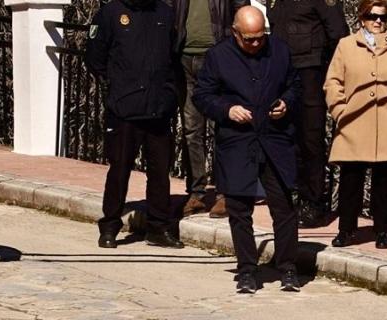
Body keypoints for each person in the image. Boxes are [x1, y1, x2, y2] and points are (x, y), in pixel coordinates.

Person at [194, 5, 303, 294]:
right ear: (236, 33)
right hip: (238, 142)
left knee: (284, 207)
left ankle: (288, 267)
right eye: (249, 39)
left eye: (260, 37)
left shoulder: (279, 50)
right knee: (239, 211)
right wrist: (227, 110)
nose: (256, 44)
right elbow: (202, 96)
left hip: (274, 139)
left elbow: (294, 85)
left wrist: (286, 104)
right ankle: (247, 270)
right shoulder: (218, 57)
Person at [87, 0, 185, 249]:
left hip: (158, 107)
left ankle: (158, 227)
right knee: (119, 170)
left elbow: (174, 57)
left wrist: (169, 94)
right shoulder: (111, 13)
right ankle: (110, 225)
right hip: (124, 108)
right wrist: (115, 85)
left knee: (160, 172)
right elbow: (95, 56)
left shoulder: (165, 13)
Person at [322, 0, 387, 250]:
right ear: (362, 18)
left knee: (384, 181)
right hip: (353, 123)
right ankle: (346, 229)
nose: (378, 22)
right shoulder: (346, 46)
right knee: (350, 181)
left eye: (383, 17)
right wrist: (340, 111)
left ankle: (383, 230)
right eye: (372, 16)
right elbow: (333, 83)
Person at [269, 0, 347, 228]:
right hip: (281, 71)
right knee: (284, 139)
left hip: (310, 72)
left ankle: (313, 203)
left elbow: (338, 34)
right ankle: (290, 197)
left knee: (310, 140)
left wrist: (327, 71)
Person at [174, 0, 245, 218]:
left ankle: (224, 193)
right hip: (184, 57)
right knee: (191, 129)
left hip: (216, 57)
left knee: (221, 129)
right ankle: (196, 192)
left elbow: (241, 10)